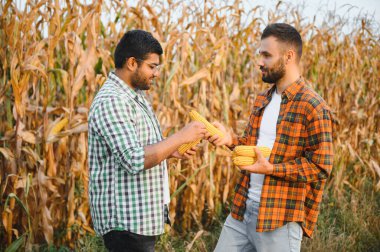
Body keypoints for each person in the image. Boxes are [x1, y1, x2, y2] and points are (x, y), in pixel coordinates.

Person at [208, 23, 334, 252]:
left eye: (266, 55)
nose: (260, 62)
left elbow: (321, 166)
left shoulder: (313, 106)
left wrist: (272, 170)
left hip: (278, 218)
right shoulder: (263, 99)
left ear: (288, 56)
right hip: (242, 209)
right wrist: (230, 140)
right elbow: (252, 148)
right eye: (260, 55)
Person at [88, 30, 207, 252]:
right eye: (152, 66)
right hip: (126, 223)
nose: (156, 73)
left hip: (139, 219)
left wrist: (172, 150)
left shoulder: (133, 97)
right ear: (132, 63)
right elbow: (133, 159)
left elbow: (137, 145)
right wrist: (180, 137)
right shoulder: (113, 101)